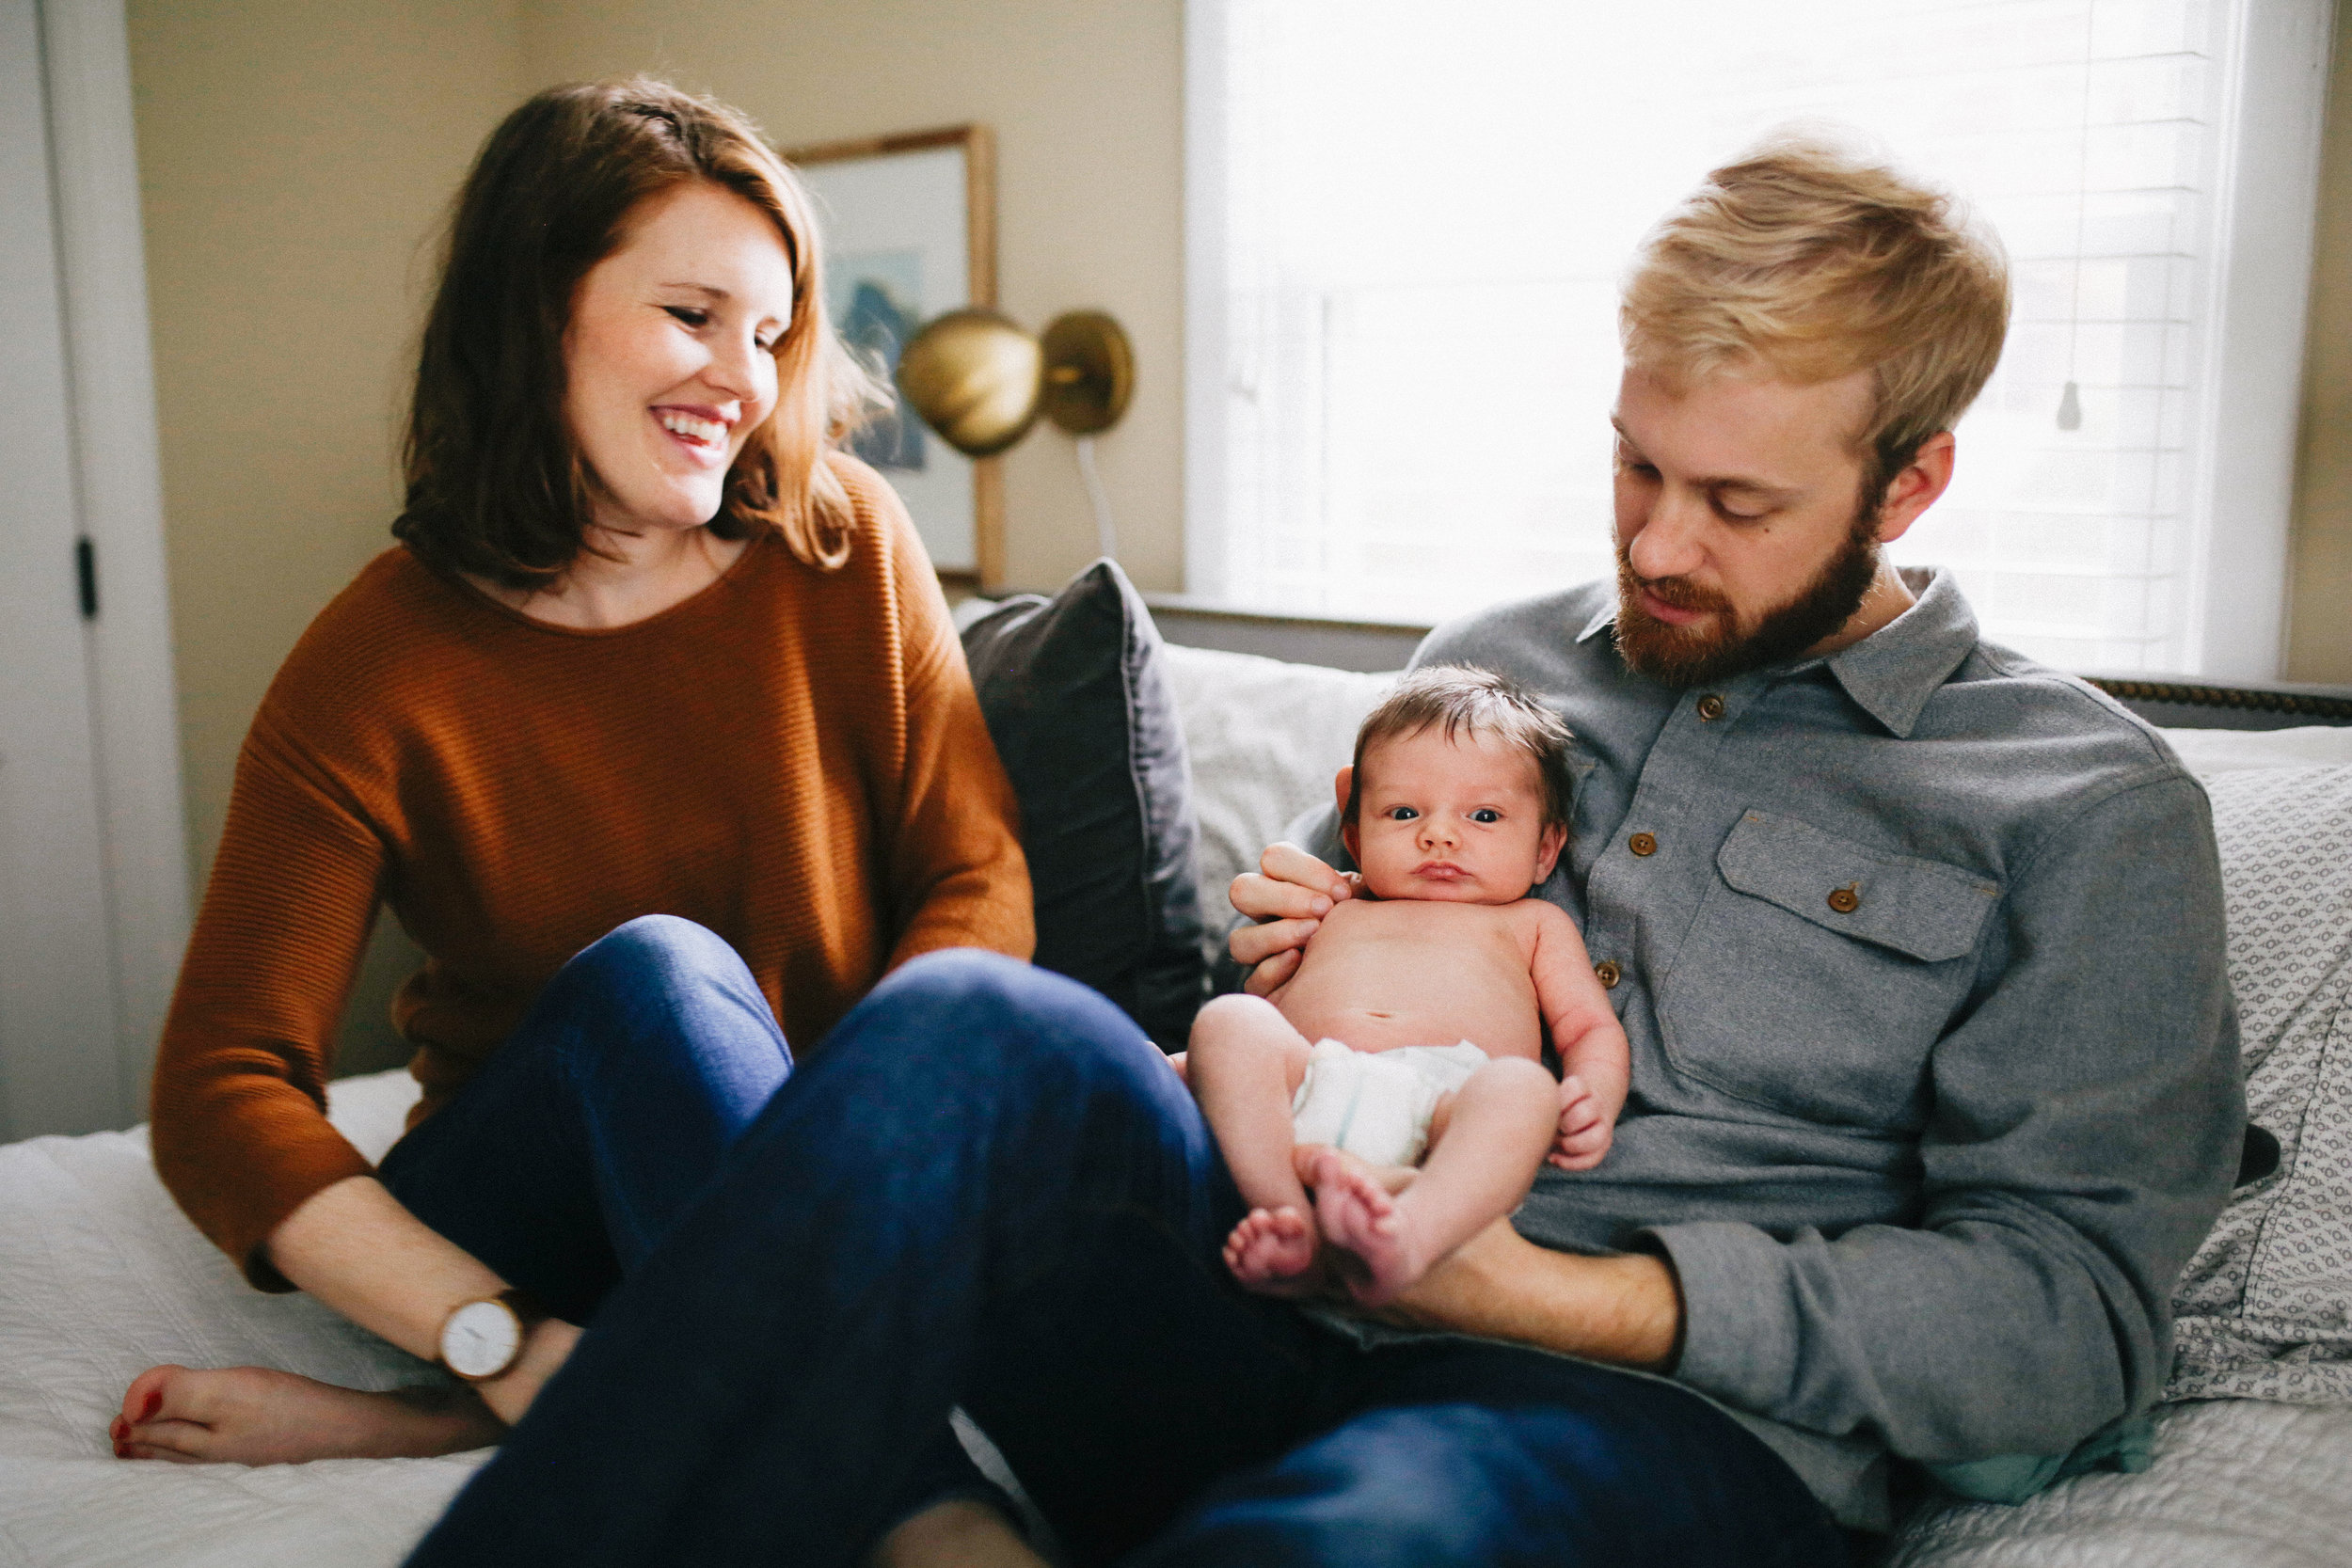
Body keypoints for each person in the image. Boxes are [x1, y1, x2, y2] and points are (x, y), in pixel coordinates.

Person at [365, 133, 2237, 1567]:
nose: (1651, 545)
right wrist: (1266, 962)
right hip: (1255, 1286)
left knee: (1350, 1535)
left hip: (1622, 1409)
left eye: (1734, 501)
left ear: (1906, 482)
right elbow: (1269, 999)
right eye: (1630, 464)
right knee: (971, 1022)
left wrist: (1544, 1289)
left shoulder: (2077, 807)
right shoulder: (1486, 663)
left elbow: (2065, 1322)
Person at [114, 78, 1041, 1561]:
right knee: (656, 975)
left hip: (810, 1166)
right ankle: (928, 1517)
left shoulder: (841, 540)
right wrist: (491, 1333)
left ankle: (461, 1419)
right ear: (537, 306)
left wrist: (864, 1119)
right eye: (692, 314)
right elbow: (220, 1084)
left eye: (771, 329)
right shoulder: (372, 667)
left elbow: (973, 865)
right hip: (527, 1211)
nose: (742, 377)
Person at [1185, 666, 1629, 1305]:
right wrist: (1191, 1059)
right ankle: (1288, 1219)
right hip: (1309, 1079)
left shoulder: (1532, 924)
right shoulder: (1336, 904)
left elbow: (1589, 1028)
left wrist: (1596, 1095)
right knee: (1229, 1018)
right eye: (1403, 811)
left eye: (1483, 814)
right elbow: (1268, 1023)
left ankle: (1411, 1237)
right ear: (1354, 834)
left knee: (1524, 1089)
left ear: (1545, 849)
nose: (1439, 834)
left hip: (1445, 1107)